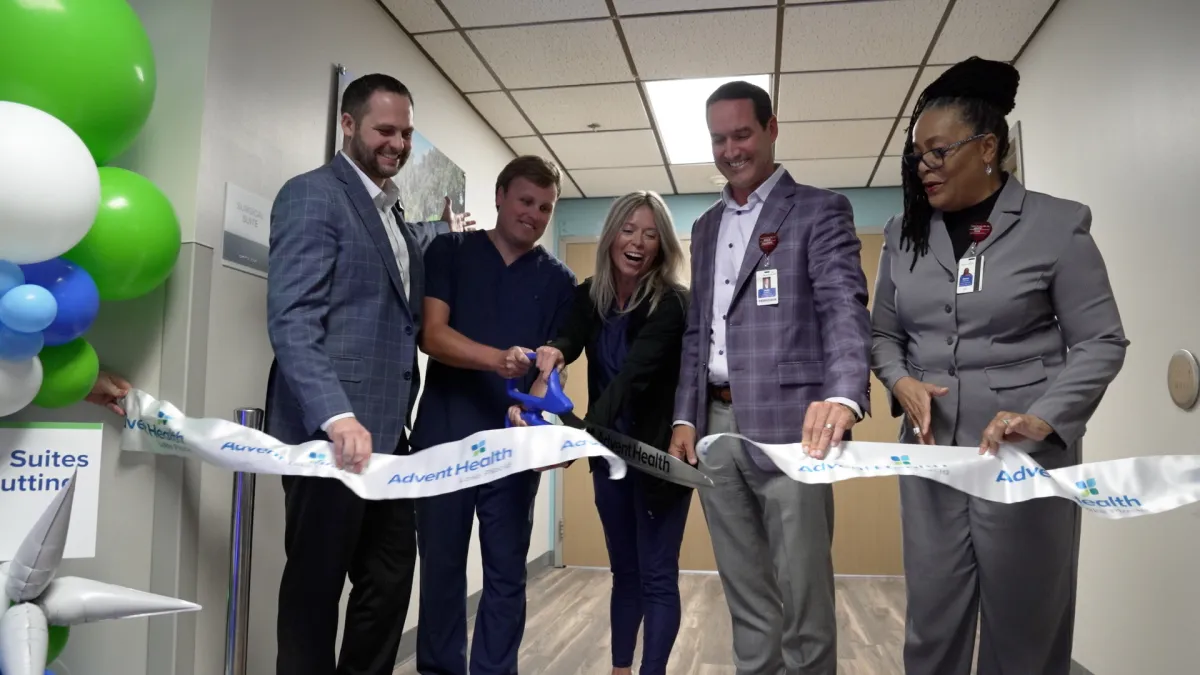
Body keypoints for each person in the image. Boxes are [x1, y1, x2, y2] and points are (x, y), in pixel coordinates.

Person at [870, 57, 1128, 675]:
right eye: (917, 157)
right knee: (932, 627)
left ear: (987, 147)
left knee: (1025, 629)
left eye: (937, 152)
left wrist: (1043, 419)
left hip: (1023, 462)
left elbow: (1101, 341)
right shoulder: (902, 234)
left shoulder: (1057, 225)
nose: (924, 167)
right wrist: (901, 380)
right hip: (931, 459)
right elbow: (883, 333)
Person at [265, 73, 472, 675]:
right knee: (313, 591)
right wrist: (335, 414)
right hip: (328, 436)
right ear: (348, 125)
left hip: (387, 437)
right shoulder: (312, 195)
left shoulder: (393, 213)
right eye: (386, 130)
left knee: (387, 584)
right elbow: (293, 321)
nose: (399, 143)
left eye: (406, 132)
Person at [667, 81, 872, 675]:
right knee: (746, 592)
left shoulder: (818, 209)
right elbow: (697, 332)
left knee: (804, 595)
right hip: (717, 428)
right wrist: (686, 416)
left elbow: (843, 308)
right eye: (718, 139)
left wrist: (843, 394)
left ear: (771, 128)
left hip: (795, 431)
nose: (731, 149)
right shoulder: (705, 227)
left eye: (742, 134)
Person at [510, 191, 690, 675]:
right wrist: (553, 354)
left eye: (651, 234)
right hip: (607, 459)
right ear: (611, 236)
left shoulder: (671, 303)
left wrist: (575, 435)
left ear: (663, 245)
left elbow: (632, 376)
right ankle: (619, 669)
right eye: (629, 230)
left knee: (656, 576)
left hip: (658, 460)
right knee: (624, 574)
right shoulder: (591, 294)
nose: (638, 242)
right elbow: (568, 335)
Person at [411, 155, 576, 675]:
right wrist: (497, 358)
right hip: (445, 434)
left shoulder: (559, 281)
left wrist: (546, 387)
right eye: (526, 201)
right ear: (500, 195)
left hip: (512, 444)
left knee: (506, 574)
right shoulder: (450, 250)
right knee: (442, 570)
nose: (534, 214)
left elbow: (552, 367)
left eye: (546, 208)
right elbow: (432, 335)